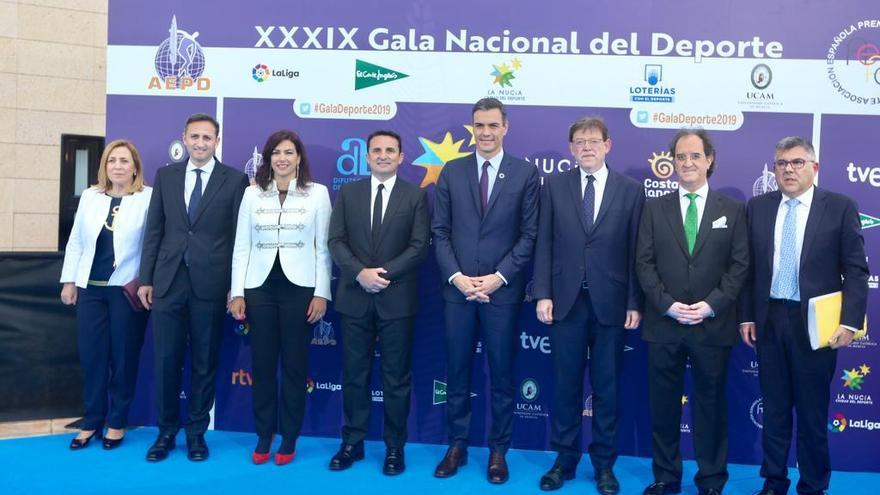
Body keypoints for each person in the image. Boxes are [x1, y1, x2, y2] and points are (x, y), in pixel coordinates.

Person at [738, 137, 869, 495]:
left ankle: (813, 485)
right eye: (781, 163)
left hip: (816, 325)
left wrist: (849, 321)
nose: (788, 169)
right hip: (769, 320)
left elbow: (856, 270)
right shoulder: (758, 207)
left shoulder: (840, 207)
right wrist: (747, 316)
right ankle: (774, 481)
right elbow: (749, 270)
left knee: (812, 414)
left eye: (797, 162)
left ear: (814, 167)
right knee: (775, 409)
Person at [533, 117, 644, 494]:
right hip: (565, 302)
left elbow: (636, 252)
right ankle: (564, 460)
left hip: (612, 303)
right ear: (570, 148)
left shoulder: (630, 190)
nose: (586, 147)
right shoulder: (554, 186)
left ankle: (604, 466)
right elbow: (544, 242)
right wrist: (542, 292)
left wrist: (633, 300)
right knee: (564, 386)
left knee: (607, 388)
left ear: (608, 145)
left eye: (593, 141)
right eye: (579, 141)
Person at [431, 97, 539, 484]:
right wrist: (457, 277)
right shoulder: (452, 171)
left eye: (493, 125)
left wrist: (499, 277)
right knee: (457, 371)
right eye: (480, 126)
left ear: (505, 127)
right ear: (472, 128)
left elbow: (529, 235)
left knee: (503, 374)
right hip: (457, 291)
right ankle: (456, 444)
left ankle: (498, 450)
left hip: (501, 293)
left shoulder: (525, 174)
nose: (486, 133)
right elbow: (439, 232)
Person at [635, 129, 749, 495]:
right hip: (664, 324)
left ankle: (712, 480)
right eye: (681, 156)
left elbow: (740, 265)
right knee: (663, 407)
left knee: (711, 408)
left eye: (694, 156)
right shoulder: (653, 209)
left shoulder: (732, 210)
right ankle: (666, 477)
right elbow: (644, 264)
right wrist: (667, 305)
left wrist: (711, 305)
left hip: (712, 326)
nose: (687, 162)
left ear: (709, 160)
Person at [138, 113, 249, 462]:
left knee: (204, 362)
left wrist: (236, 287)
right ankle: (166, 433)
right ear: (184, 139)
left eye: (207, 137)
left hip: (211, 284)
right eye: (195, 136)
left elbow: (238, 239)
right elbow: (154, 231)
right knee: (167, 360)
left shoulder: (235, 180)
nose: (200, 143)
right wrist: (146, 279)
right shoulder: (165, 176)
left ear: (217, 141)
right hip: (168, 283)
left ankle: (196, 434)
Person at [327, 130, 430, 475]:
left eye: (390, 150)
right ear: (367, 157)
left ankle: (394, 448)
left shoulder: (415, 196)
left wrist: (381, 274)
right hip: (355, 297)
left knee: (396, 378)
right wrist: (360, 273)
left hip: (396, 299)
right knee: (355, 375)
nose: (383, 155)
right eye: (376, 151)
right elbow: (336, 240)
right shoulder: (349, 193)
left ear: (401, 157)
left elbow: (419, 246)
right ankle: (352, 442)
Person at [229, 129, 331, 465]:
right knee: (261, 363)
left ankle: (289, 436)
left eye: (289, 152)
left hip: (299, 288)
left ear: (299, 157)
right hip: (259, 287)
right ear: (268, 158)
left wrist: (321, 293)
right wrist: (237, 292)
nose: (282, 158)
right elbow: (241, 245)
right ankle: (263, 433)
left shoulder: (318, 194)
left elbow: (323, 248)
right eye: (276, 152)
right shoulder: (253, 194)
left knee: (294, 365)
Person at [60, 139, 152, 450]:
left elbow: (153, 246)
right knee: (93, 357)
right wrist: (69, 281)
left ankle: (117, 421)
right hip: (90, 290)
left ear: (135, 167)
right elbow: (75, 242)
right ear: (104, 166)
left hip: (126, 291)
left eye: (124, 161)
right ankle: (91, 421)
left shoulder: (148, 198)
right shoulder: (91, 196)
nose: (118, 166)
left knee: (124, 359)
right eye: (112, 160)